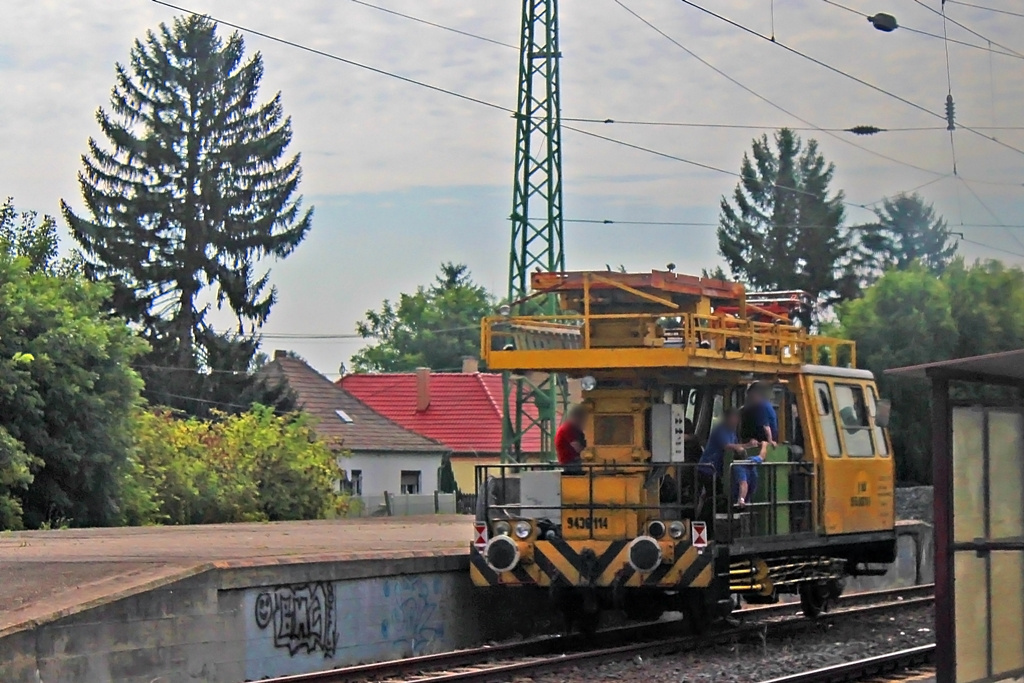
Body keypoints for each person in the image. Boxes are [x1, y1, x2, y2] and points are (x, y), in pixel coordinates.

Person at [696, 408, 759, 514]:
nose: (736, 420)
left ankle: (706, 515)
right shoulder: (720, 430)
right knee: (714, 495)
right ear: (727, 418)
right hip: (707, 468)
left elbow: (737, 446)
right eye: (734, 418)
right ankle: (706, 518)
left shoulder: (732, 432)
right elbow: (727, 446)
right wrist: (747, 445)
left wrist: (751, 444)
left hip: (717, 470)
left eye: (737, 418)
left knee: (712, 495)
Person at [555, 404, 587, 473]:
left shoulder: (575, 429)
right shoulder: (567, 429)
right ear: (576, 417)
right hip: (570, 463)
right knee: (593, 468)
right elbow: (578, 448)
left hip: (575, 461)